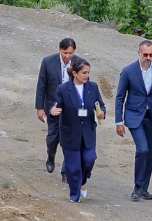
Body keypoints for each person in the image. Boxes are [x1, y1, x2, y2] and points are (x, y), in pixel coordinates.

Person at [115, 39, 152, 201]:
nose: (148, 57)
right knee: (143, 149)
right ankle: (137, 186)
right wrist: (119, 121)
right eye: (145, 54)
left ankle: (144, 188)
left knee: (151, 154)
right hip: (134, 116)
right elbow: (120, 97)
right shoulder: (128, 71)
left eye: (151, 54)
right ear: (139, 53)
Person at [49, 56, 106, 202]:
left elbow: (100, 104)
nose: (87, 75)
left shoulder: (92, 87)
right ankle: (74, 195)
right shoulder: (63, 89)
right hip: (70, 132)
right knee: (73, 167)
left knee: (89, 159)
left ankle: (83, 181)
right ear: (74, 73)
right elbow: (56, 105)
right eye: (84, 73)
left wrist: (102, 112)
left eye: (88, 73)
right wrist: (52, 111)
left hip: (88, 131)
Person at [35, 38, 76, 174]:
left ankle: (66, 170)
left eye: (70, 53)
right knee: (53, 138)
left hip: (71, 108)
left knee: (70, 140)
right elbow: (41, 85)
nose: (67, 56)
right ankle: (51, 157)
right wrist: (40, 108)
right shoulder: (48, 62)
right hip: (53, 107)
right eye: (65, 53)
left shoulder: (79, 63)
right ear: (60, 50)